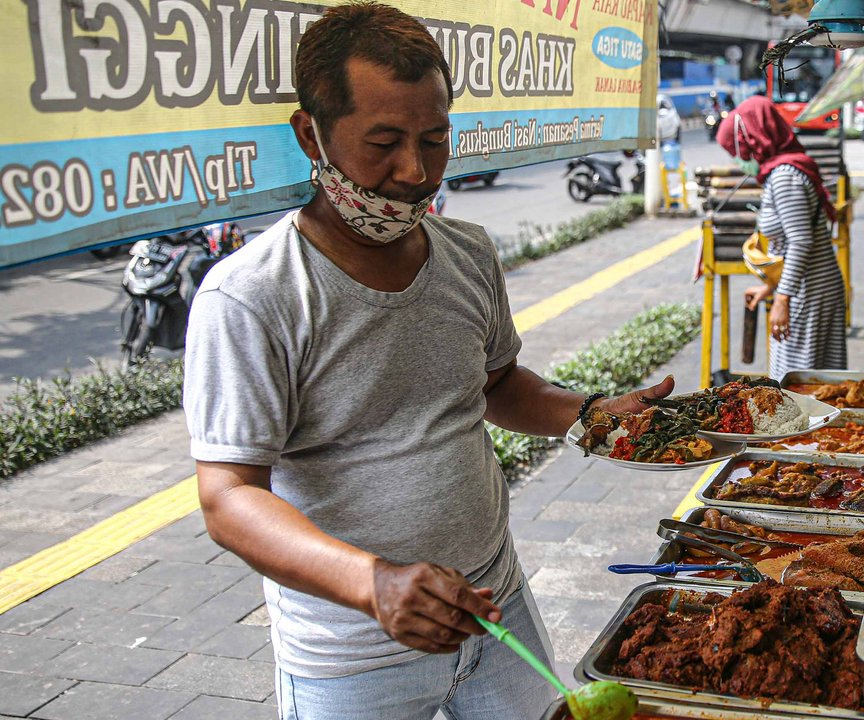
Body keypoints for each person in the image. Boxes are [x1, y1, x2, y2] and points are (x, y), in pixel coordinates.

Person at [181, 4, 673, 718]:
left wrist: (592, 414)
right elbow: (228, 497)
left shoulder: (467, 253)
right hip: (351, 658)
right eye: (383, 142)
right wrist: (371, 582)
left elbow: (497, 386)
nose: (415, 171)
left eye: (435, 140)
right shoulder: (252, 296)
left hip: (496, 610)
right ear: (310, 134)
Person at [720, 96, 847, 378]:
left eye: (739, 152)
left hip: (809, 293)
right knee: (815, 380)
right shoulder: (783, 171)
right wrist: (770, 288)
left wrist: (782, 299)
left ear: (754, 141)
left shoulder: (785, 177)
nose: (740, 161)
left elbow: (800, 241)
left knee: (798, 383)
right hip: (808, 287)